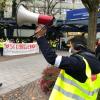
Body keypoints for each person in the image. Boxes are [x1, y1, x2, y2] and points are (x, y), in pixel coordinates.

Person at [34, 25, 100, 100]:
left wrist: (40, 37)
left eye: (71, 46)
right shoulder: (95, 59)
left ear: (77, 46)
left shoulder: (77, 62)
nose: (70, 48)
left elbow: (52, 58)